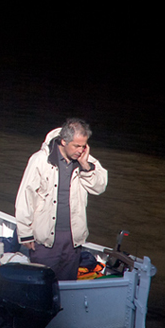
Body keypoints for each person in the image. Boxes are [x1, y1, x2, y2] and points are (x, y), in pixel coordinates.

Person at [15, 118, 108, 281]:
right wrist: (25, 233)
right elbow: (25, 196)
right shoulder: (40, 160)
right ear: (64, 141)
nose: (80, 150)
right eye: (76, 146)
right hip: (45, 239)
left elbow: (99, 187)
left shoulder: (85, 160)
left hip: (73, 240)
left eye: (83, 146)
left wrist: (86, 167)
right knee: (42, 285)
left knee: (67, 287)